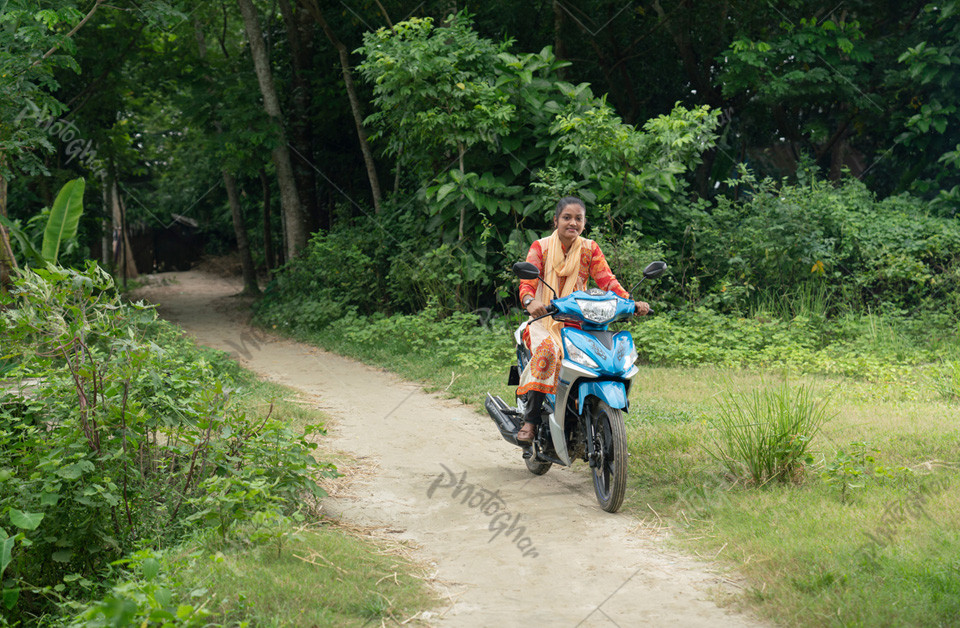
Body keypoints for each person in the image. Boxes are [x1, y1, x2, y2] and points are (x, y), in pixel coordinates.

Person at [515, 196, 649, 443]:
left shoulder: (590, 249)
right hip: (545, 321)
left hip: (581, 321)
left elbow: (606, 280)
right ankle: (531, 420)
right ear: (556, 220)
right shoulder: (540, 247)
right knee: (548, 352)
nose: (572, 223)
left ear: (584, 223)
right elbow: (527, 282)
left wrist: (630, 303)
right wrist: (529, 301)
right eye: (567, 217)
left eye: (578, 218)